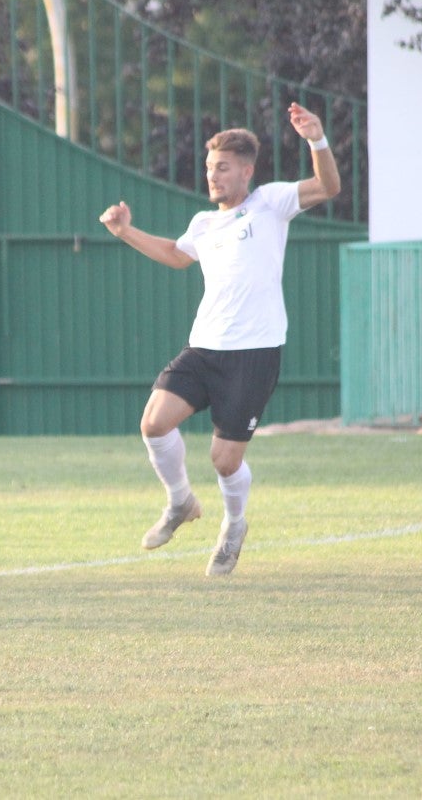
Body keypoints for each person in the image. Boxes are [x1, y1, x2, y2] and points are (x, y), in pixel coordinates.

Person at [98, 102, 341, 576]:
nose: (213, 176)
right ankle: (180, 502)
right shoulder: (203, 224)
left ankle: (233, 526)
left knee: (224, 460)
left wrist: (317, 140)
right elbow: (175, 254)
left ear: (246, 171)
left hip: (254, 354)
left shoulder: (270, 202)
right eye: (210, 167)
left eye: (223, 168)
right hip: (205, 347)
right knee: (153, 422)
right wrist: (125, 232)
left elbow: (328, 186)